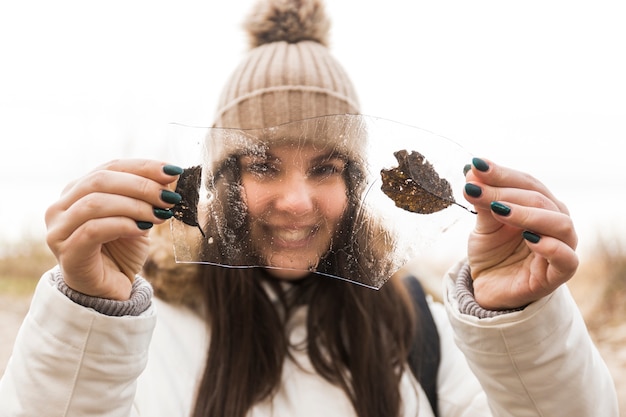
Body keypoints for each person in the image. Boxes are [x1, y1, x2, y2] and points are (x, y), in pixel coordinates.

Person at [0, 0, 618, 416]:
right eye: (263, 164)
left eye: (325, 168)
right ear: (218, 178)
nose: (296, 203)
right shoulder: (139, 328)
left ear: (355, 184)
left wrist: (522, 322)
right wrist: (87, 316)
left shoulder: (419, 329)